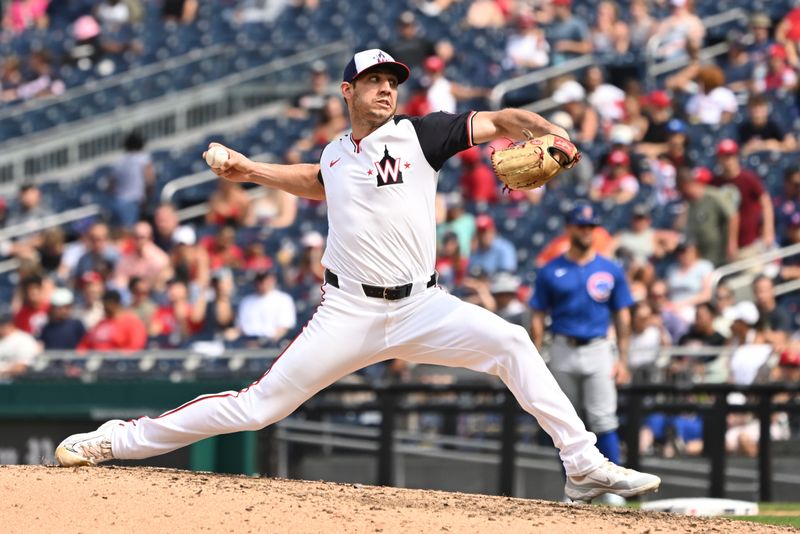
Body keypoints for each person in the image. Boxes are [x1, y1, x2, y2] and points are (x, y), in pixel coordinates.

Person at [56, 49, 659, 503]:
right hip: (349, 313)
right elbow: (315, 180)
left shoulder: (422, 134)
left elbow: (501, 119)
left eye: (392, 82)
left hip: (424, 307)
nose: (386, 90)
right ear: (348, 90)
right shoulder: (336, 153)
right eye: (374, 81)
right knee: (257, 408)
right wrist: (249, 170)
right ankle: (120, 440)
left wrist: (550, 134)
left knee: (512, 341)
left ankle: (581, 463)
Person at [530, 201, 636, 502]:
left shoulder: (609, 268)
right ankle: (575, 488)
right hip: (563, 347)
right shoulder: (552, 270)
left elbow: (622, 315)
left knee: (605, 421)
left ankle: (613, 490)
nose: (587, 231)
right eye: (581, 226)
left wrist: (623, 359)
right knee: (565, 425)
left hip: (599, 347)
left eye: (591, 226)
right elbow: (537, 315)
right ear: (569, 228)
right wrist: (537, 357)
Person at [712, 139, 775, 261]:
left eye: (731, 156)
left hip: (750, 243)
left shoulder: (748, 179)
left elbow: (766, 203)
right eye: (724, 157)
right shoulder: (716, 183)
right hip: (725, 246)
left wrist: (768, 231)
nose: (728, 161)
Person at [233, 269, 296, 346]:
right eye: (260, 280)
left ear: (273, 280)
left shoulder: (284, 299)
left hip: (272, 343)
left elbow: (284, 328)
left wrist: (263, 342)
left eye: (265, 280)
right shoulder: (246, 301)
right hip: (247, 342)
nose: (263, 283)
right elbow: (240, 328)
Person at [108, 132, 155, 229]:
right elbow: (150, 180)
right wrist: (149, 198)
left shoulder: (119, 162)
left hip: (117, 202)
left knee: (119, 232)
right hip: (133, 202)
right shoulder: (143, 158)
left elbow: (110, 186)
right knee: (129, 232)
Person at [76, 289, 147, 351]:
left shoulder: (132, 323)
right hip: (96, 362)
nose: (104, 307)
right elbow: (84, 345)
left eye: (105, 304)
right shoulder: (102, 323)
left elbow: (135, 347)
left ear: (113, 303)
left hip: (119, 364)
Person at [0, 309, 40, 380]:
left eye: (2, 324)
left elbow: (22, 367)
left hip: (15, 383)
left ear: (11, 323)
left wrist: (3, 372)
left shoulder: (24, 340)